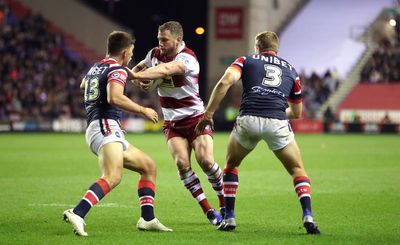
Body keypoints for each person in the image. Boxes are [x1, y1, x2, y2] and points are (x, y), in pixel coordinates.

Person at [195, 31, 321, 234]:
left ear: (257, 47)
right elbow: (297, 113)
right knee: (297, 169)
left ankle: (230, 217)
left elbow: (226, 81)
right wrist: (276, 111)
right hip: (277, 121)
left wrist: (208, 113)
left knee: (231, 166)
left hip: (249, 119)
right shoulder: (291, 70)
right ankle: (308, 214)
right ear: (276, 49)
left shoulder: (246, 60)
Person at [63, 31, 172, 236]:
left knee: (148, 166)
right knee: (113, 176)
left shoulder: (97, 67)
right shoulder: (117, 70)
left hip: (104, 127)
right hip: (105, 126)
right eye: (130, 52)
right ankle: (78, 212)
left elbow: (84, 84)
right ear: (124, 52)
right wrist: (143, 110)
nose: (132, 56)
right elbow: (114, 98)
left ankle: (147, 219)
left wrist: (125, 74)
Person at [126, 21, 224, 225]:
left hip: (196, 118)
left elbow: (167, 70)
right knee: (182, 164)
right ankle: (209, 211)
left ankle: (225, 204)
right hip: (172, 122)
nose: (160, 43)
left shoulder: (187, 58)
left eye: (164, 39)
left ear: (178, 39)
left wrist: (136, 75)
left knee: (205, 160)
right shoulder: (153, 54)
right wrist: (139, 80)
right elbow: (138, 70)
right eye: (159, 39)